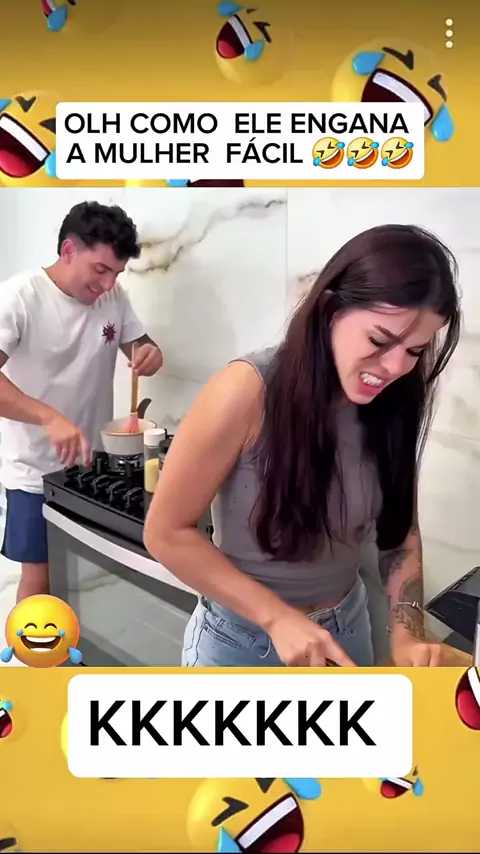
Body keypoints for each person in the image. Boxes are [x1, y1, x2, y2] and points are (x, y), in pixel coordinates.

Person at [144, 223, 461, 669]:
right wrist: (276, 616)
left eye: (414, 351)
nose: (394, 367)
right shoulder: (245, 390)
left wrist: (408, 631)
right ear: (330, 309)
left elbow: (399, 526)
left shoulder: (395, 401)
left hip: (346, 632)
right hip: (241, 641)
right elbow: (165, 533)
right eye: (379, 340)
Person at [0, 200, 163, 601]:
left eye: (116, 273)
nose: (108, 284)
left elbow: (140, 346)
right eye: (101, 270)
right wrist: (48, 417)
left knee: (84, 575)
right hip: (34, 471)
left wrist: (150, 354)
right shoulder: (20, 297)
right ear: (69, 250)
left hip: (92, 465)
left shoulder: (113, 297)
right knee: (40, 582)